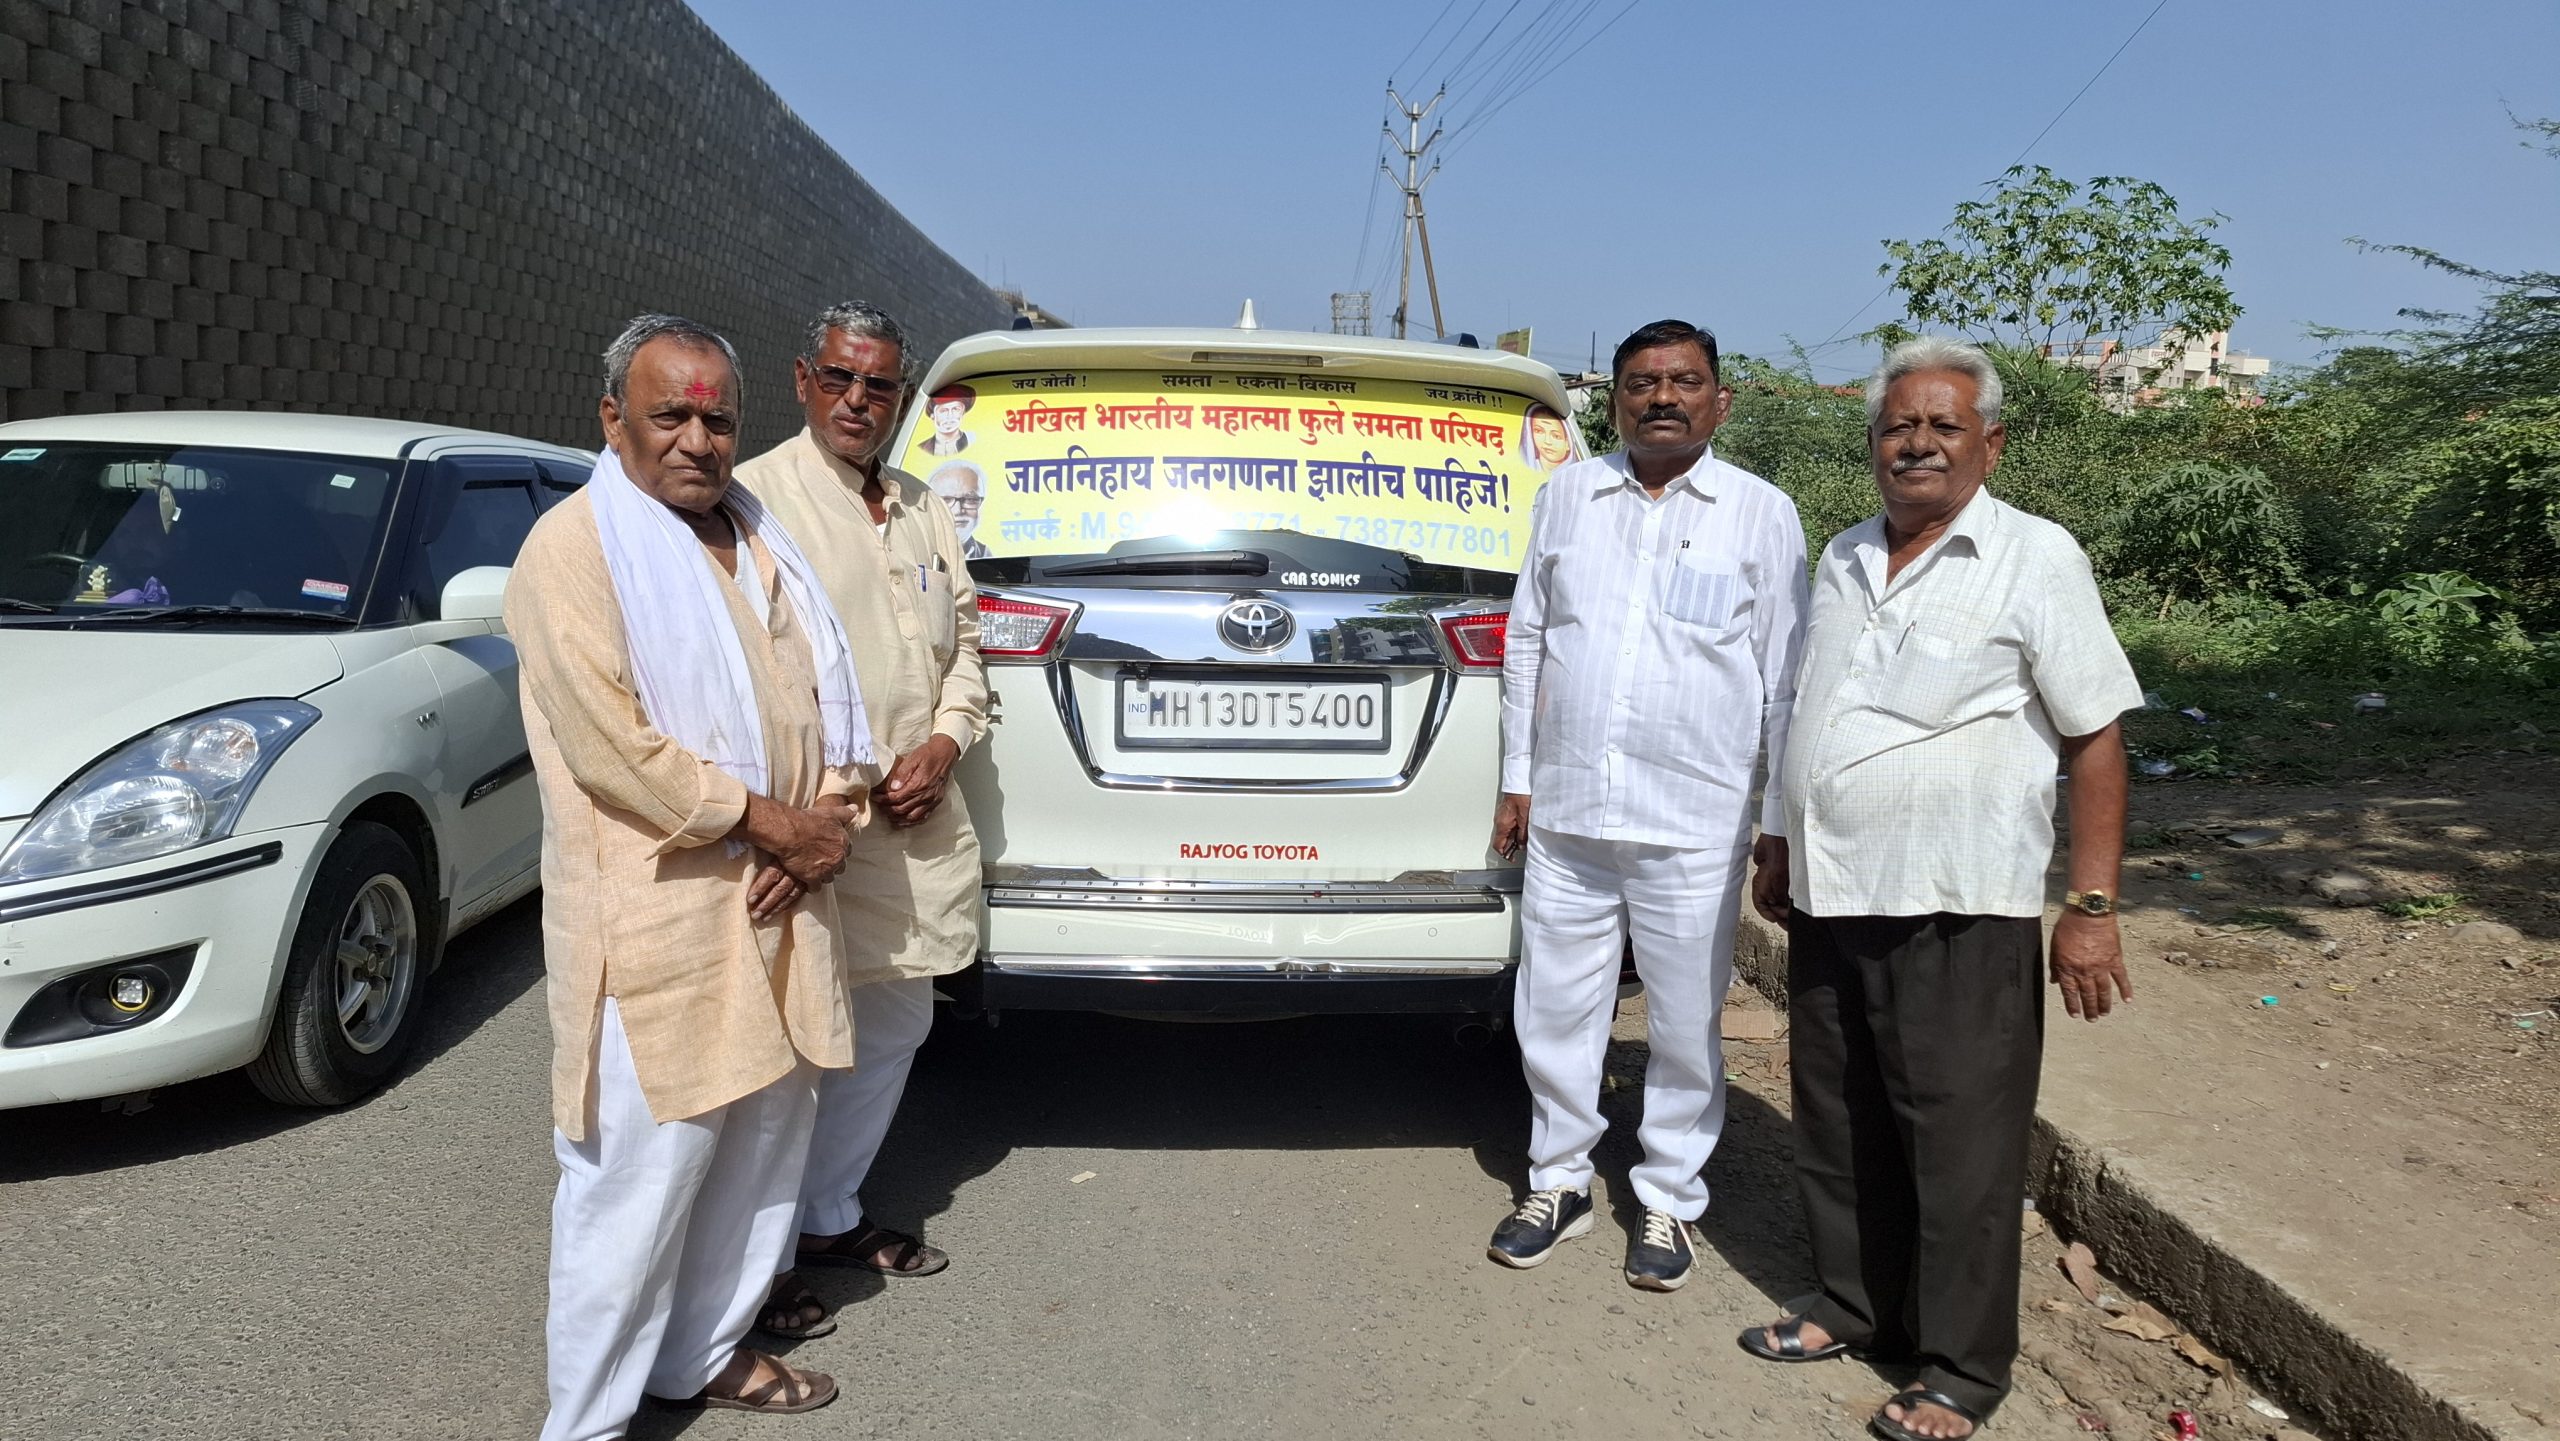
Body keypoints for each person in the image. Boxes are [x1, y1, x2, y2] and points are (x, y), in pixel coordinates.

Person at [1740, 337, 2142, 1441]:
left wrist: (2091, 910)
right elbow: (1804, 708)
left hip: (1959, 904)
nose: (1916, 444)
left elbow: (2096, 738)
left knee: (1960, 1147)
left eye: (1942, 426)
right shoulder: (1842, 554)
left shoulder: (2034, 556)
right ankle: (1851, 1303)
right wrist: (1777, 835)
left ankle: (1962, 1367)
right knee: (1839, 1119)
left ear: (1990, 443)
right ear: (1872, 443)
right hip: (1832, 891)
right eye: (1897, 427)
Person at [511, 314, 879, 1438]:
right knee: (642, 1176)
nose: (697, 439)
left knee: (764, 1145)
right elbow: (613, 747)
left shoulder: (762, 538)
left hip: (781, 900)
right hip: (657, 917)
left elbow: (832, 707)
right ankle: (588, 1419)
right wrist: (777, 826)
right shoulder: (573, 549)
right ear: (612, 417)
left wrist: (827, 821)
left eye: (718, 419)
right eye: (668, 413)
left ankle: (700, 1352)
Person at [1488, 319, 1808, 1291]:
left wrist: (1777, 819)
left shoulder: (1760, 512)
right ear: (1615, 400)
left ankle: (1668, 1194)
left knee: (1682, 1017)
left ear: (1720, 400)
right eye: (1641, 382)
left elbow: (1786, 678)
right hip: (1571, 809)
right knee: (1554, 1004)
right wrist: (1517, 775)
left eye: (1683, 381)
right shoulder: (1568, 496)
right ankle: (1557, 1180)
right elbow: (1528, 637)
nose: (1662, 397)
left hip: (1695, 818)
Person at [737, 301, 992, 1312]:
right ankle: (751, 1272)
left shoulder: (921, 506)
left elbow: (963, 645)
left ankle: (828, 1212)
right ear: (804, 380)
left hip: (916, 821)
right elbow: (747, 672)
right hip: (810, 825)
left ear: (901, 396)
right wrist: (789, 813)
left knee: (895, 1021)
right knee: (790, 1043)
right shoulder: (757, 498)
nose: (857, 400)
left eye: (878, 385)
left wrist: (945, 741)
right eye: (839, 378)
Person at [926, 461, 991, 558]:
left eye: (970, 499)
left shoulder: (986, 555)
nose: (958, 511)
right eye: (946, 500)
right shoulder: (913, 552)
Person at [919, 383, 975, 456]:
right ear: (933, 416)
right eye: (943, 411)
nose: (950, 416)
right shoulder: (922, 448)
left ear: (963, 413)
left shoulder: (972, 441)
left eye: (955, 409)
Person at [1519, 401, 1575, 470]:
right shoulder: (1523, 471)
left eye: (1556, 436)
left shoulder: (1578, 472)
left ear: (1568, 443)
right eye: (1539, 431)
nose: (1547, 441)